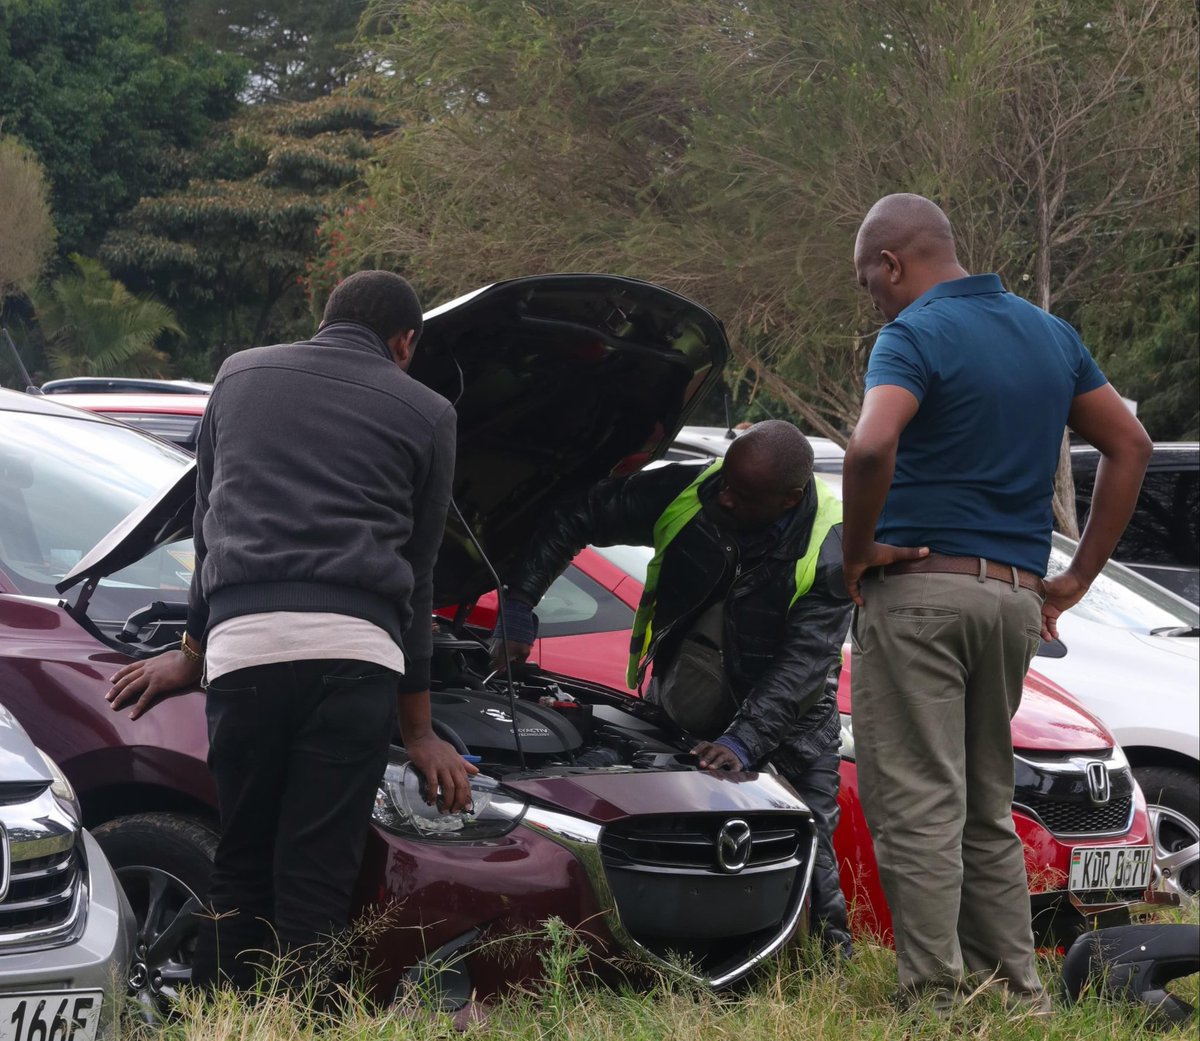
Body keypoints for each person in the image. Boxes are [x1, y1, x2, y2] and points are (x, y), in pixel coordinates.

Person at [105, 270, 477, 994]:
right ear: (404, 342)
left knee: (240, 862)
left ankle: (219, 1019)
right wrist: (423, 731)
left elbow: (210, 527)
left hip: (243, 651)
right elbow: (418, 573)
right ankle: (298, 1020)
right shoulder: (428, 411)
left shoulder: (237, 375)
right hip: (357, 657)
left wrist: (190, 653)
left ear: (324, 318)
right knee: (313, 881)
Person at [841, 193, 1152, 1015]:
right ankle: (1017, 993)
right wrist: (1076, 578)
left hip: (920, 595)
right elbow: (1131, 443)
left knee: (916, 797)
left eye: (868, 278)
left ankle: (936, 1000)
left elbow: (871, 443)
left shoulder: (911, 334)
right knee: (986, 802)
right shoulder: (1052, 335)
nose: (871, 295)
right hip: (1016, 600)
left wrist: (856, 549)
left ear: (894, 263)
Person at [492, 420, 855, 957]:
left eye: (742, 493)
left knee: (812, 861)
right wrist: (520, 602)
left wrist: (743, 742)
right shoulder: (691, 491)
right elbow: (579, 510)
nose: (724, 498)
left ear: (790, 499)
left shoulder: (830, 546)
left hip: (793, 727)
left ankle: (827, 969)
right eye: (725, 482)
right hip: (685, 708)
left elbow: (803, 665)